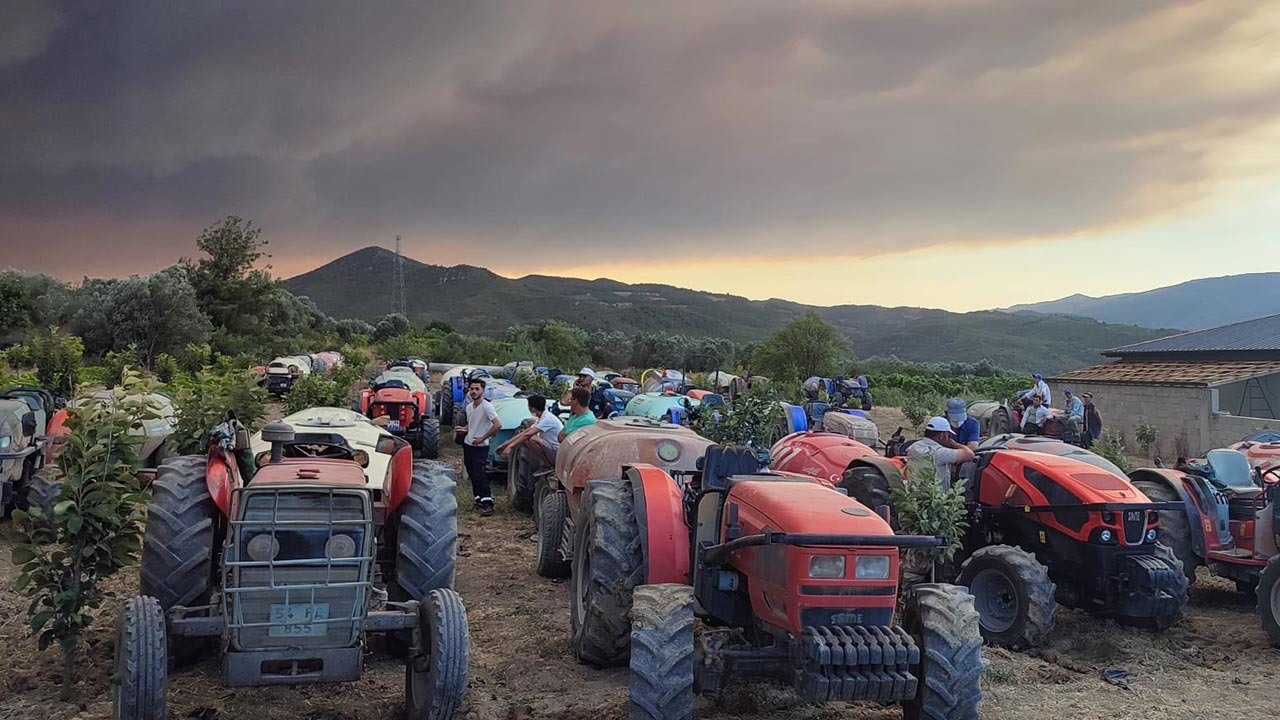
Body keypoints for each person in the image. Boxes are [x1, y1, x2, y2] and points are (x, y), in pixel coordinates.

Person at [456, 377, 501, 516]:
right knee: (472, 472)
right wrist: (465, 429)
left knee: (479, 473)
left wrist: (482, 437)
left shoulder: (487, 406)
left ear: (483, 390)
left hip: (480, 446)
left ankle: (487, 502)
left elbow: (497, 424)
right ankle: (479, 499)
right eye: (472, 389)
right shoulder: (469, 407)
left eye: (477, 389)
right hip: (469, 443)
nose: (474, 391)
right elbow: (472, 423)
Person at [495, 394, 563, 471]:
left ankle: (545, 465)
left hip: (557, 451)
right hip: (549, 448)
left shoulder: (548, 419)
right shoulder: (541, 418)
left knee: (532, 439)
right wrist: (505, 445)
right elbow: (526, 432)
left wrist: (510, 447)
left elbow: (528, 434)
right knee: (526, 438)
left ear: (532, 408)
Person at [907, 416, 976, 489]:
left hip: (914, 492)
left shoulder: (913, 446)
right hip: (934, 496)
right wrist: (953, 443)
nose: (949, 438)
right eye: (948, 435)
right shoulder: (940, 453)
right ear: (942, 435)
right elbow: (969, 454)